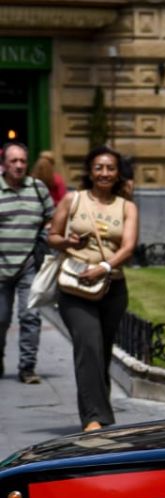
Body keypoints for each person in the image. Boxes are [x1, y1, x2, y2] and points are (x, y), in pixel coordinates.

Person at [45, 147, 140, 431]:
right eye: (99, 167)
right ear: (90, 171)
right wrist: (68, 243)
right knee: (88, 347)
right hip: (75, 286)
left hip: (112, 287)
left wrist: (105, 268)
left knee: (102, 351)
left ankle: (99, 409)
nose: (105, 173)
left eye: (110, 168)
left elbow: (129, 247)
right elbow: (52, 236)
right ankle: (94, 420)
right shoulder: (73, 200)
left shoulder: (126, 207)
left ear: (117, 173)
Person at [1, 140, 55, 385]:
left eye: (23, 160)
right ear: (4, 164)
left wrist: (43, 239)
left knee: (30, 316)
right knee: (1, 319)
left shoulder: (37, 188)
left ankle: (27, 368)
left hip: (29, 266)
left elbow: (52, 219)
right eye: (14, 161)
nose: (19, 166)